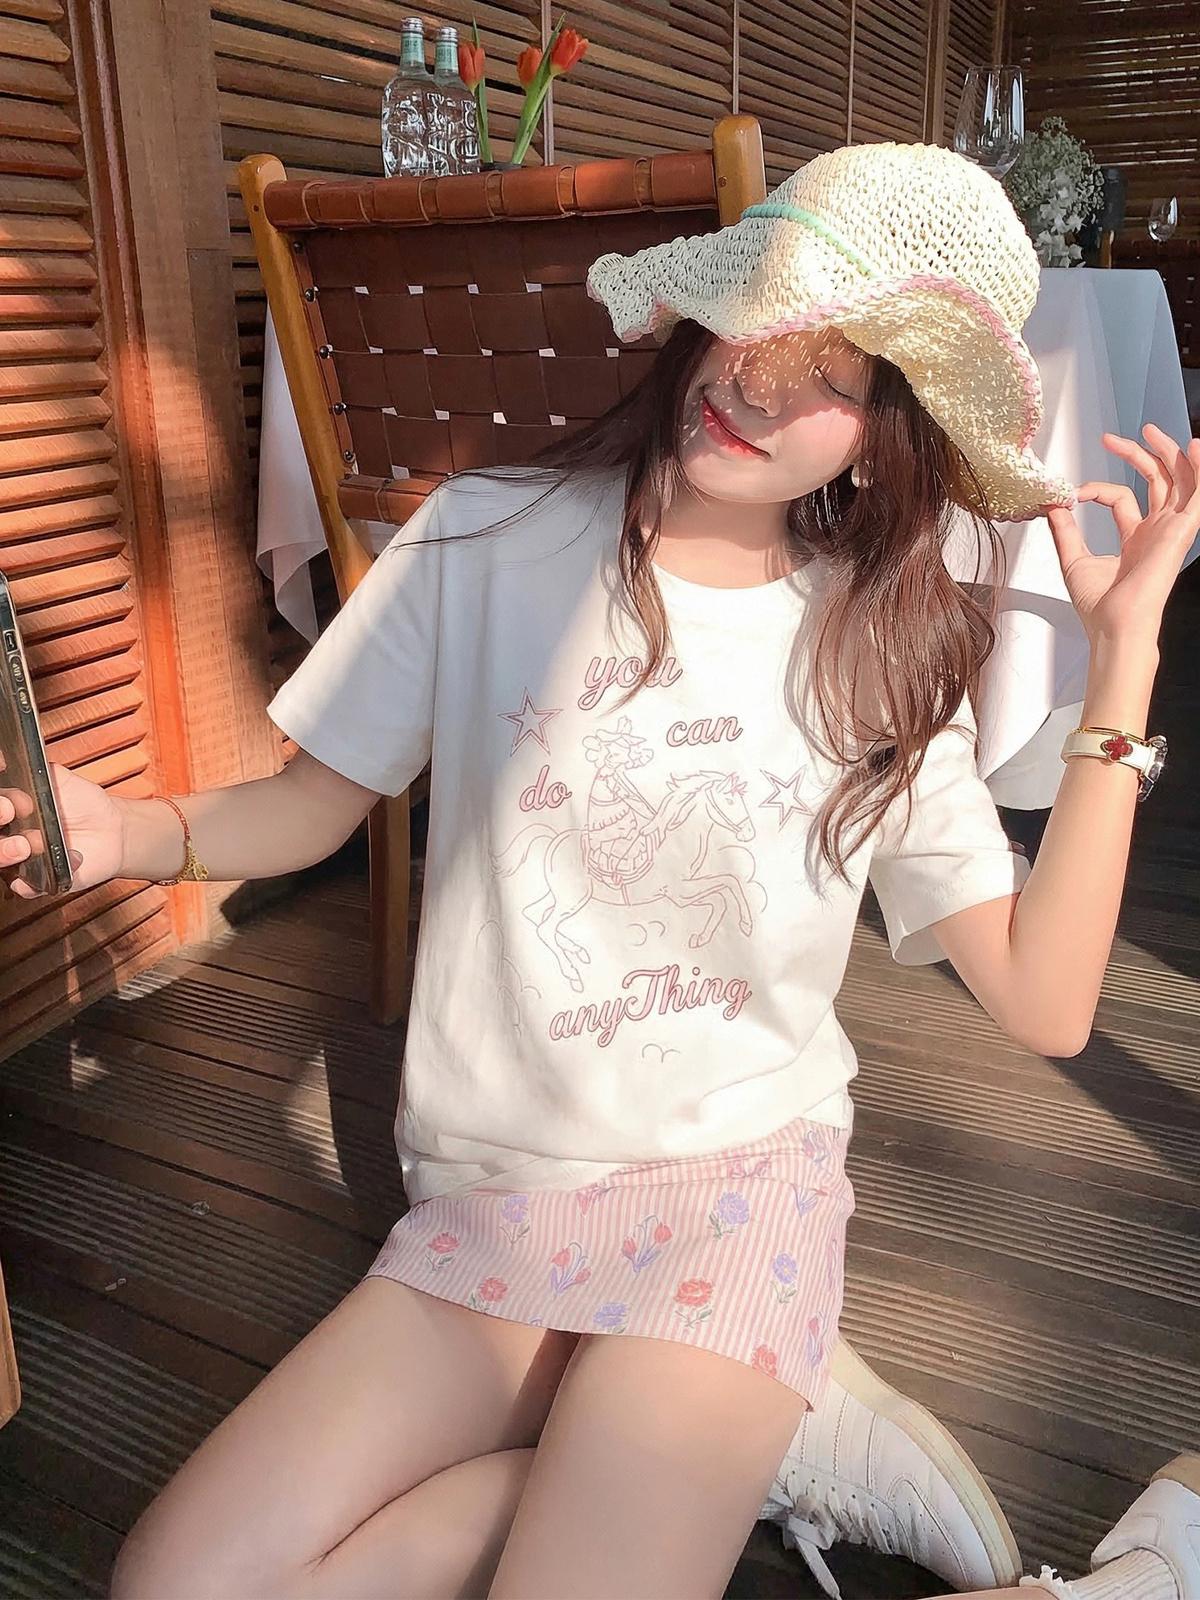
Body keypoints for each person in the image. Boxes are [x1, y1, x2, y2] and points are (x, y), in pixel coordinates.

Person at [2, 140, 1196, 1600]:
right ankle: (733, 1449)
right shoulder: (484, 535)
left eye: (832, 373)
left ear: (891, 433)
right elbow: (312, 809)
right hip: (492, 1207)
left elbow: (1048, 1002)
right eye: (759, 317)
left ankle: (751, 1439)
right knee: (171, 1587)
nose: (760, 384)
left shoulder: (877, 648)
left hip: (735, 1197)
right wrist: (125, 832)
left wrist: (1125, 659)